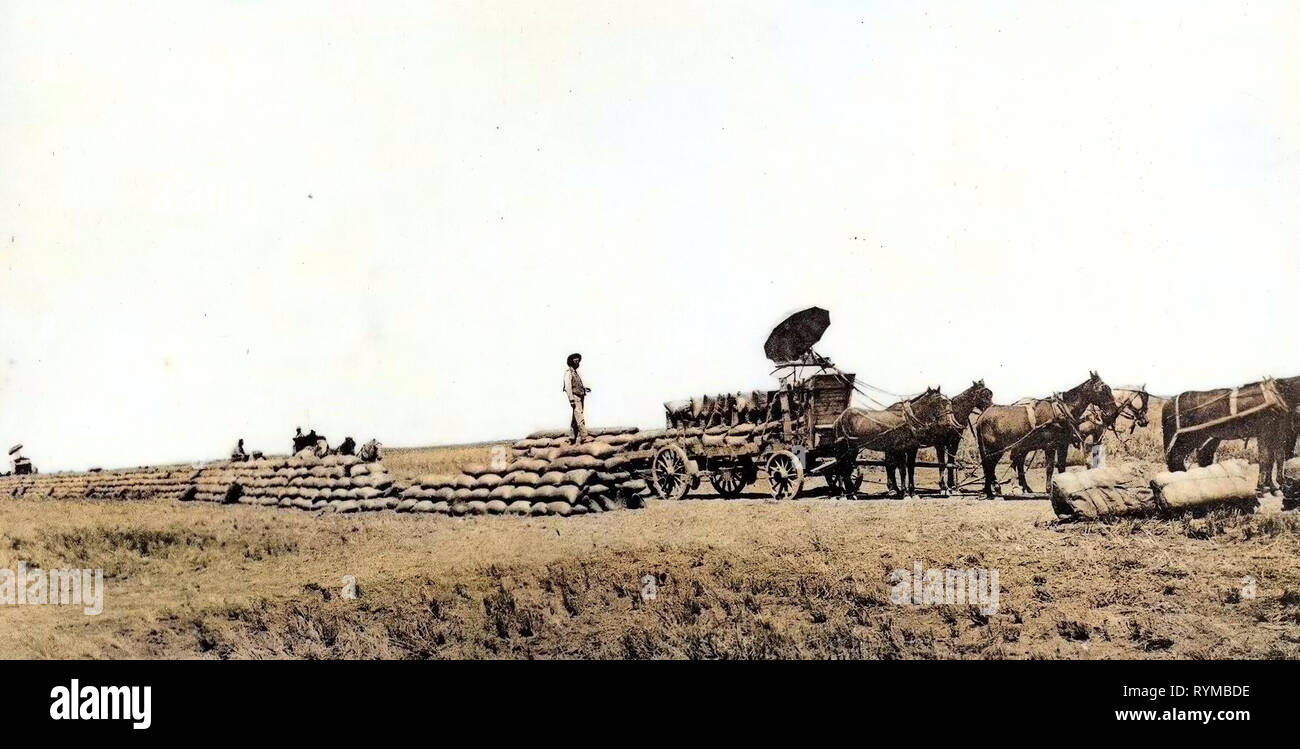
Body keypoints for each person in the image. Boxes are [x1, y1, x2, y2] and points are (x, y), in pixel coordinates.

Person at [563, 352, 591, 444]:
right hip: (575, 397)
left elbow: (576, 385)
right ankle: (584, 437)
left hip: (580, 396)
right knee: (579, 416)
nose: (577, 361)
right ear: (571, 361)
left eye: (578, 360)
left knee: (575, 418)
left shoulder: (575, 373)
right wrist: (571, 399)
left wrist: (584, 389)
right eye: (575, 359)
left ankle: (572, 437)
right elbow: (568, 387)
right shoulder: (568, 373)